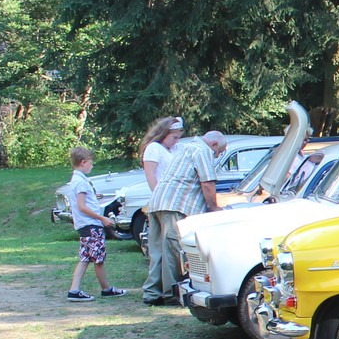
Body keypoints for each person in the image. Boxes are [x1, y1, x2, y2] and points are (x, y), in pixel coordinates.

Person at [144, 129, 227, 305]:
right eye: (218, 152)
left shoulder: (187, 147)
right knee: (173, 251)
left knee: (157, 251)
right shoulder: (203, 151)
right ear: (213, 144)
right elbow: (207, 182)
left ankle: (152, 293)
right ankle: (173, 293)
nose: (217, 155)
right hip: (176, 205)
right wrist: (213, 208)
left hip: (158, 202)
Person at [64, 146, 127, 302]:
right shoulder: (81, 182)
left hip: (84, 226)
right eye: (91, 163)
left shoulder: (76, 180)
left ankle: (74, 290)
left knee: (85, 257)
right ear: (83, 162)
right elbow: (82, 206)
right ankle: (106, 289)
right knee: (98, 258)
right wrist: (101, 218)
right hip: (91, 225)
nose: (92, 166)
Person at [136, 116, 183, 303]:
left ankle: (154, 292)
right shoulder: (154, 149)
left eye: (178, 137)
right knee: (165, 248)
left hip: (169, 202)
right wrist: (158, 195)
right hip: (162, 202)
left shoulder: (173, 149)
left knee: (162, 249)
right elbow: (151, 175)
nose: (176, 141)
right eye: (174, 137)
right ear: (164, 133)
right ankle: (165, 291)